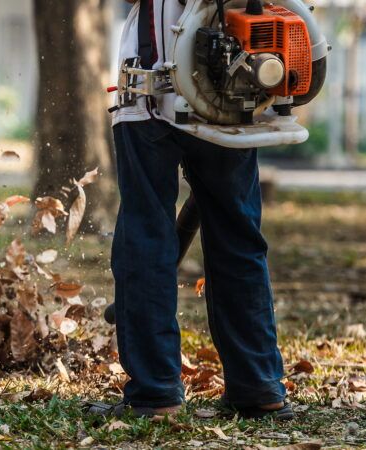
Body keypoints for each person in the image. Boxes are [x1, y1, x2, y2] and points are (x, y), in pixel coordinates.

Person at [88, 0, 293, 420]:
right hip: (233, 86)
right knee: (237, 237)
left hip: (151, 90)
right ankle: (258, 387)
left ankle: (155, 393)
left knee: (146, 237)